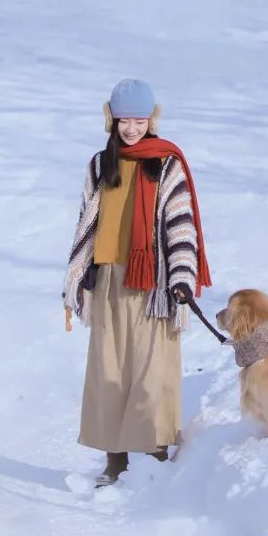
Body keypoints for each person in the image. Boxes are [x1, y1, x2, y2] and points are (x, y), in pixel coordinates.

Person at [63, 78, 212, 487]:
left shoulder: (166, 162)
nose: (131, 128)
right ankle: (115, 462)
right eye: (124, 120)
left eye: (139, 120)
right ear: (111, 118)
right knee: (108, 369)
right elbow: (86, 222)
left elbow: (181, 226)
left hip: (153, 284)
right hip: (109, 277)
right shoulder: (100, 163)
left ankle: (154, 456)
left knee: (152, 369)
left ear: (152, 119)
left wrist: (181, 277)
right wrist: (80, 273)